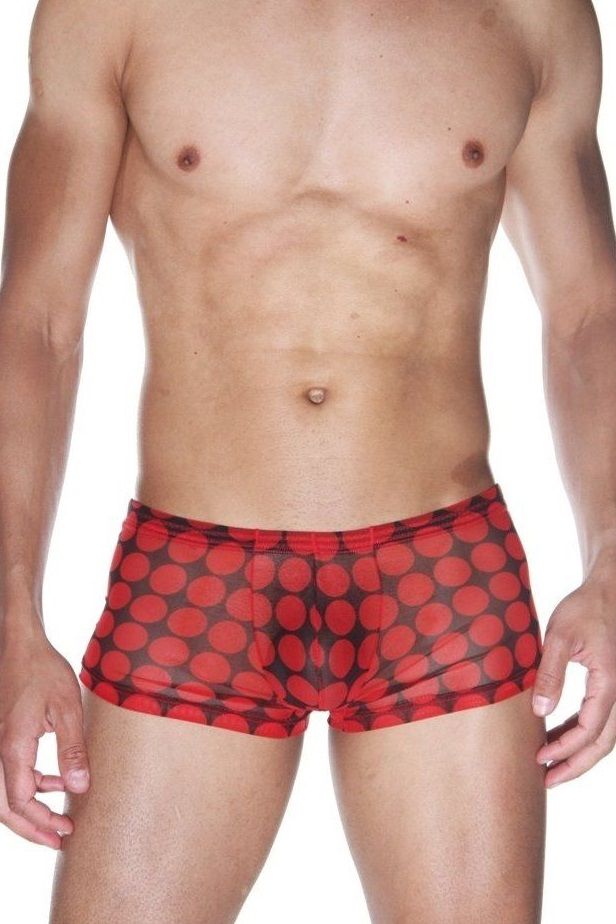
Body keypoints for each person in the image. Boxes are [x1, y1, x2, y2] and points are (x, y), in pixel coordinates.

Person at [1, 0, 615, 921]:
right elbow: (38, 326)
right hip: (196, 584)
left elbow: (587, 313)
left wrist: (612, 557)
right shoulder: (112, 11)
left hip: (443, 581)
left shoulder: (531, 15)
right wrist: (12, 616)